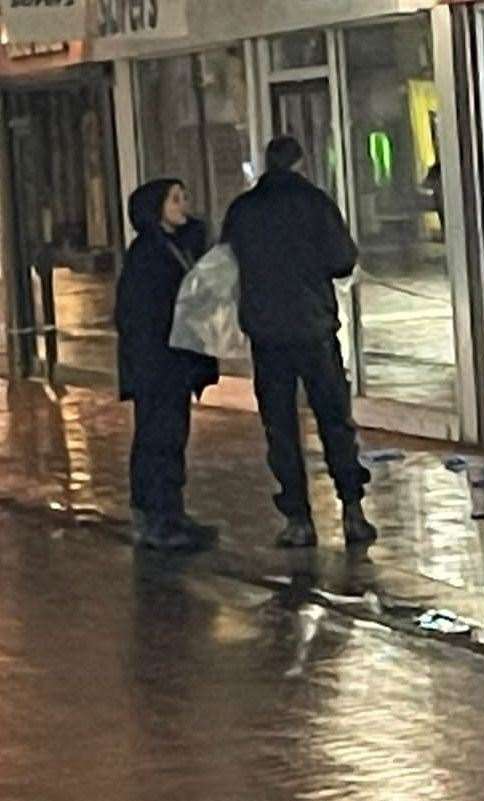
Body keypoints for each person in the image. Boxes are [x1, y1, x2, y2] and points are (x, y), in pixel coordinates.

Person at [222, 136, 376, 548]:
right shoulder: (316, 204)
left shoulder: (244, 211)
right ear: (300, 163)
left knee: (280, 425)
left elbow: (227, 259)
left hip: (267, 334)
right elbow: (343, 260)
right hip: (313, 328)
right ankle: (352, 510)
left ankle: (298, 518)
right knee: (333, 418)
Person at [115, 178, 220, 552]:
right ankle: (154, 515)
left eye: (183, 196)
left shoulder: (177, 247)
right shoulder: (147, 254)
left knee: (173, 437)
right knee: (157, 438)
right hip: (158, 363)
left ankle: (171, 512)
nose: (183, 204)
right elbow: (140, 313)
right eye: (175, 199)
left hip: (175, 362)